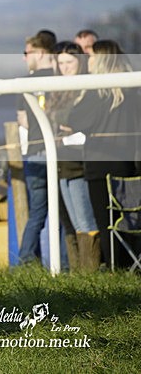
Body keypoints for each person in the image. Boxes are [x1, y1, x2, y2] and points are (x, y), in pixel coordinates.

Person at [67, 39, 139, 269]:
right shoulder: (133, 89)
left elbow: (74, 120)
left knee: (107, 221)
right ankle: (133, 265)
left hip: (99, 167)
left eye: (92, 56)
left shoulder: (96, 92)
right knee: (131, 219)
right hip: (128, 165)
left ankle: (115, 267)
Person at [46, 42, 99, 270]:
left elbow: (77, 121)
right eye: (61, 63)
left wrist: (66, 122)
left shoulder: (86, 88)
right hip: (61, 162)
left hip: (79, 162)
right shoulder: (58, 89)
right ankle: (79, 270)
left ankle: (90, 270)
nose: (65, 67)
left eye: (69, 62)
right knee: (73, 222)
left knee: (85, 220)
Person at [16, 32, 56, 265]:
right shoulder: (62, 77)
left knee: (37, 213)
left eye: (27, 52)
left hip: (34, 151)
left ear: (40, 53)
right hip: (59, 151)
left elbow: (22, 120)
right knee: (62, 214)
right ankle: (63, 262)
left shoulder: (25, 82)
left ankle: (26, 260)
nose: (24, 58)